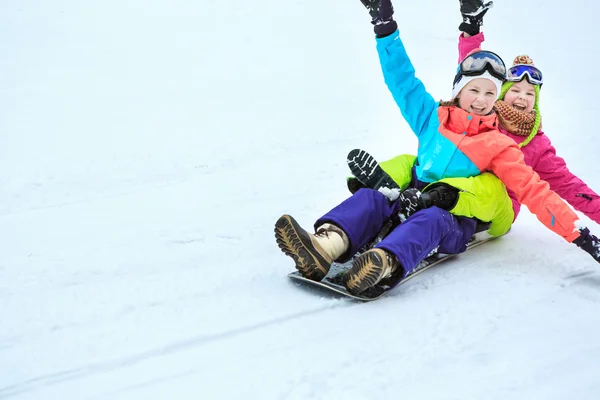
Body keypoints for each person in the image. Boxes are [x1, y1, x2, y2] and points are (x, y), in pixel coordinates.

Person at [275, 0, 600, 296]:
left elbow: (536, 192)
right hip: (417, 191)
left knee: (432, 218)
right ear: (459, 91)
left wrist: (582, 236)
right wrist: (385, 26)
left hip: (459, 215)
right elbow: (402, 80)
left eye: (491, 94)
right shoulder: (433, 117)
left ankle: (382, 263)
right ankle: (324, 247)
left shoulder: (500, 145)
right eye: (475, 90)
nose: (483, 99)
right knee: (376, 198)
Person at [349, 0, 600, 238]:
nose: (521, 97)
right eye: (514, 90)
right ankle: (376, 193)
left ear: (537, 102)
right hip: (452, 186)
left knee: (488, 182)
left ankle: (427, 203)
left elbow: (571, 187)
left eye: (529, 94)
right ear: (500, 94)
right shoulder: (480, 113)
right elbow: (470, 78)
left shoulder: (536, 145)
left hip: (495, 208)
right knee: (412, 161)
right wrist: (472, 27)